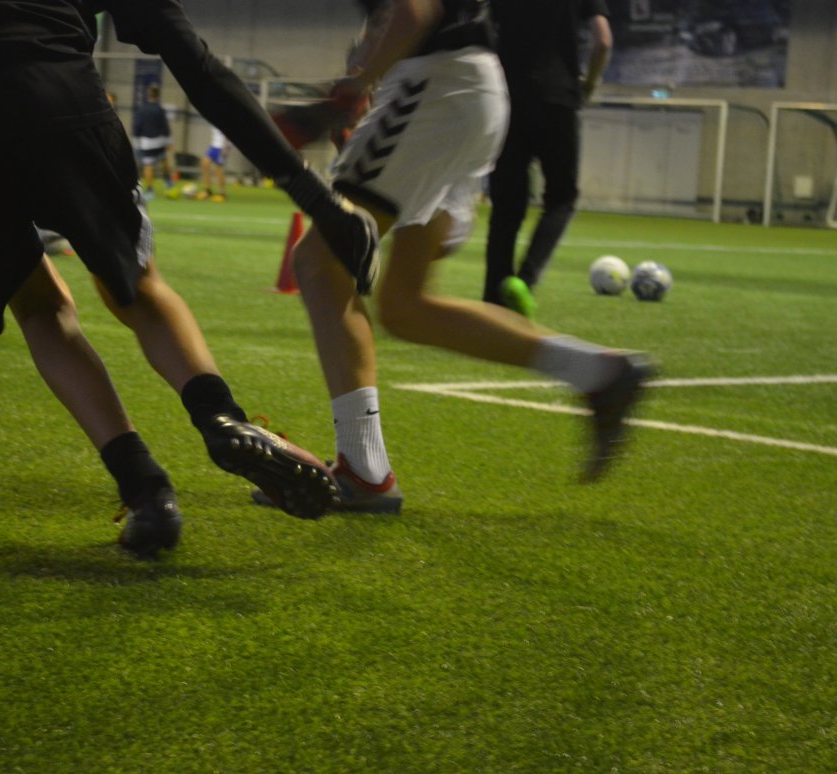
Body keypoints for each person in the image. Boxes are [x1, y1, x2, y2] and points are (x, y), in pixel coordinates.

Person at [0, 0, 366, 560]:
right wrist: (312, 195)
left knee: (41, 307)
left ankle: (145, 490)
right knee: (137, 289)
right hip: (53, 97)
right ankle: (219, 417)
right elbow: (198, 68)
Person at [262, 0, 652, 514]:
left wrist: (349, 90)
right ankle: (598, 371)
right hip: (471, 91)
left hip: (434, 86)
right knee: (406, 306)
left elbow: (413, 8)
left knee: (319, 264)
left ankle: (364, 470)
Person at [482, 0, 613, 318]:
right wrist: (589, 84)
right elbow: (603, 41)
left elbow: (482, 27)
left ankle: (493, 299)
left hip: (508, 97)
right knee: (561, 198)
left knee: (506, 205)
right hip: (558, 97)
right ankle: (524, 281)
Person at [134, 84, 177, 200]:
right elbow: (165, 127)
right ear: (157, 96)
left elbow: (137, 127)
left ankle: (150, 190)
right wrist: (169, 142)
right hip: (159, 141)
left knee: (148, 165)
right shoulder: (160, 110)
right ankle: (168, 181)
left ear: (148, 95)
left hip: (146, 143)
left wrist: (136, 141)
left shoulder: (142, 110)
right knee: (163, 159)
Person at [196, 124, 229, 202]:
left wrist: (226, 147)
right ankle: (208, 190)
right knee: (204, 164)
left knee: (218, 169)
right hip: (214, 146)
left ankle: (222, 193)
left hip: (222, 147)